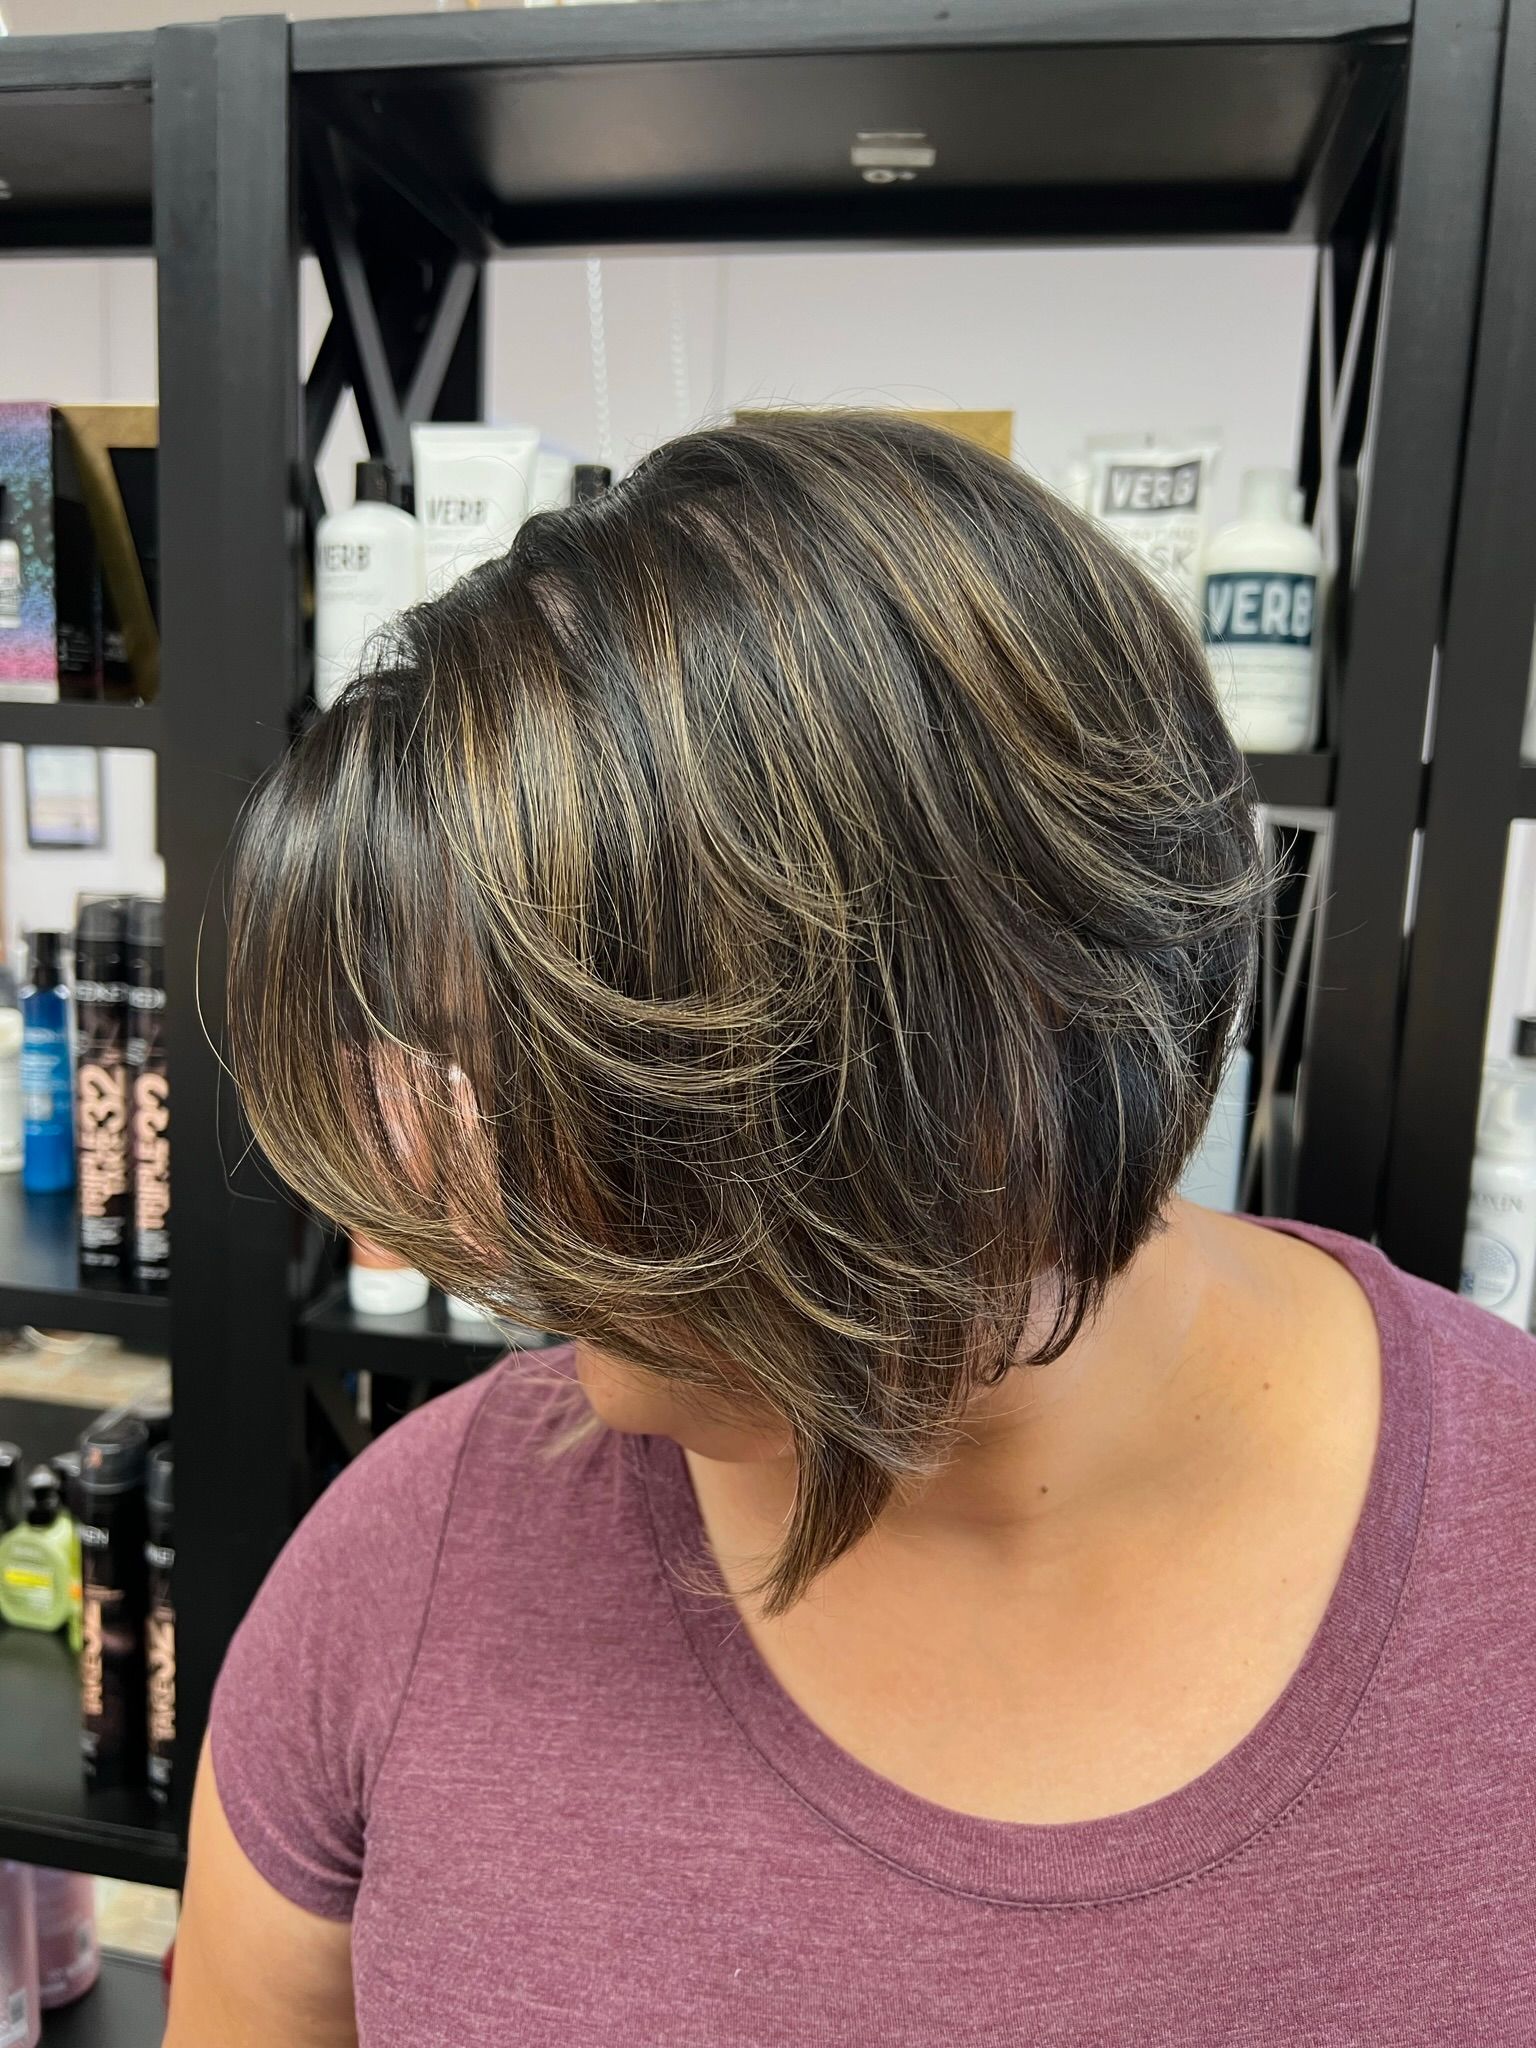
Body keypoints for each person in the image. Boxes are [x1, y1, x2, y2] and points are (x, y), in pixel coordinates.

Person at [166, 415, 1535, 2048]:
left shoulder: (1500, 1551)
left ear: (1020, 1012)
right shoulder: (404, 1573)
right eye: (474, 1074)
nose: (497, 1207)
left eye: (607, 1101)